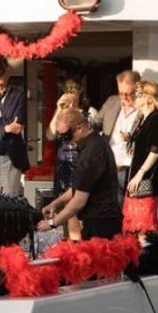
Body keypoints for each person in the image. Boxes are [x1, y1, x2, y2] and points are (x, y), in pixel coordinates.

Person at [37, 109, 123, 240]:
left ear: (80, 128)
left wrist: (52, 223)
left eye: (67, 136)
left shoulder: (92, 152)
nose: (66, 142)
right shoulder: (93, 145)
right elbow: (80, 187)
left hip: (101, 225)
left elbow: (79, 201)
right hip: (100, 221)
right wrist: (56, 203)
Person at [46, 79, 96, 240]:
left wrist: (74, 113)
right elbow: (50, 136)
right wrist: (57, 109)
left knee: (78, 206)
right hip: (63, 165)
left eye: (74, 98)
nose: (71, 102)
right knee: (64, 207)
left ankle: (78, 242)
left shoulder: (89, 113)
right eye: (68, 97)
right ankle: (69, 241)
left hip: (81, 162)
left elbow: (94, 135)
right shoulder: (61, 114)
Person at [123, 80, 158, 235]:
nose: (133, 98)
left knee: (145, 226)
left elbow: (155, 150)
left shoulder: (156, 118)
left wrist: (140, 174)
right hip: (137, 175)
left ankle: (150, 256)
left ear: (147, 97)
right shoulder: (144, 119)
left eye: (136, 95)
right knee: (135, 225)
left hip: (146, 177)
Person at [0, 56, 29, 196]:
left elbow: (18, 127)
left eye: (2, 81)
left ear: (7, 74)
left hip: (10, 155)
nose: (0, 85)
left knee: (10, 201)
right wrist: (6, 127)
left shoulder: (19, 95)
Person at [98, 70, 142, 198]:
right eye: (121, 93)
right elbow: (94, 125)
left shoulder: (145, 108)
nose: (124, 98)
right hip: (109, 168)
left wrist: (132, 139)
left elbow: (157, 143)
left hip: (132, 170)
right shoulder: (112, 102)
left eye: (129, 94)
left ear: (138, 90)